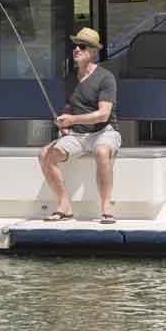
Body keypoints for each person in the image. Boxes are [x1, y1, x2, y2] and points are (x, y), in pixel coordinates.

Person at [37, 27, 120, 223]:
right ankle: (64, 205)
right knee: (45, 155)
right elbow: (70, 106)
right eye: (74, 46)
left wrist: (73, 120)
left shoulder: (106, 78)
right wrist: (64, 121)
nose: (76, 49)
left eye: (82, 46)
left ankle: (106, 205)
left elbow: (103, 115)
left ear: (93, 52)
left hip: (104, 131)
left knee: (101, 151)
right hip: (77, 135)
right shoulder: (70, 78)